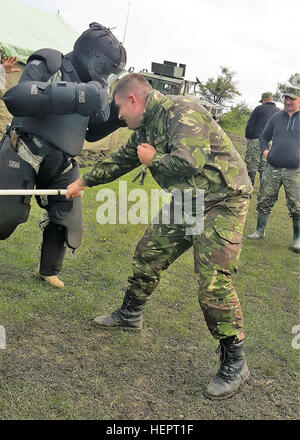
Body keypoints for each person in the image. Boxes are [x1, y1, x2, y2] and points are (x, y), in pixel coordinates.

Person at [66, 73, 253, 400]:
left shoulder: (183, 112)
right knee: (148, 254)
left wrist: (152, 160)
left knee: (212, 282)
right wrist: (83, 182)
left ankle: (235, 361)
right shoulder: (146, 126)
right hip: (189, 200)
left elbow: (189, 162)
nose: (119, 115)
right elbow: (122, 160)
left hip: (223, 199)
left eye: (120, 108)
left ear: (133, 100)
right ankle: (130, 313)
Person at [0, 22, 127, 288]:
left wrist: (119, 117)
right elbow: (17, 98)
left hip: (62, 163)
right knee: (3, 214)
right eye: (106, 68)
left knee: (66, 218)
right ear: (92, 55)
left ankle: (48, 270)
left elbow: (91, 132)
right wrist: (75, 94)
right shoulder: (50, 62)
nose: (106, 76)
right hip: (24, 148)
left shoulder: (97, 87)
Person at [247, 76, 300, 253]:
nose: (287, 101)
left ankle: (297, 239)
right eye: (286, 98)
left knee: (297, 205)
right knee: (264, 199)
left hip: (295, 170)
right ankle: (259, 231)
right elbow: (263, 137)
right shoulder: (276, 118)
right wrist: (265, 151)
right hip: (273, 167)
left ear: (299, 100)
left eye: (291, 98)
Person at [245, 92, 280, 186]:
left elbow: (250, 124)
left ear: (264, 100)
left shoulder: (258, 109)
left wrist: (248, 137)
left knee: (251, 165)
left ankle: (250, 187)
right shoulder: (279, 112)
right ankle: (262, 189)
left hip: (256, 140)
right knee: (264, 166)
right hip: (270, 143)